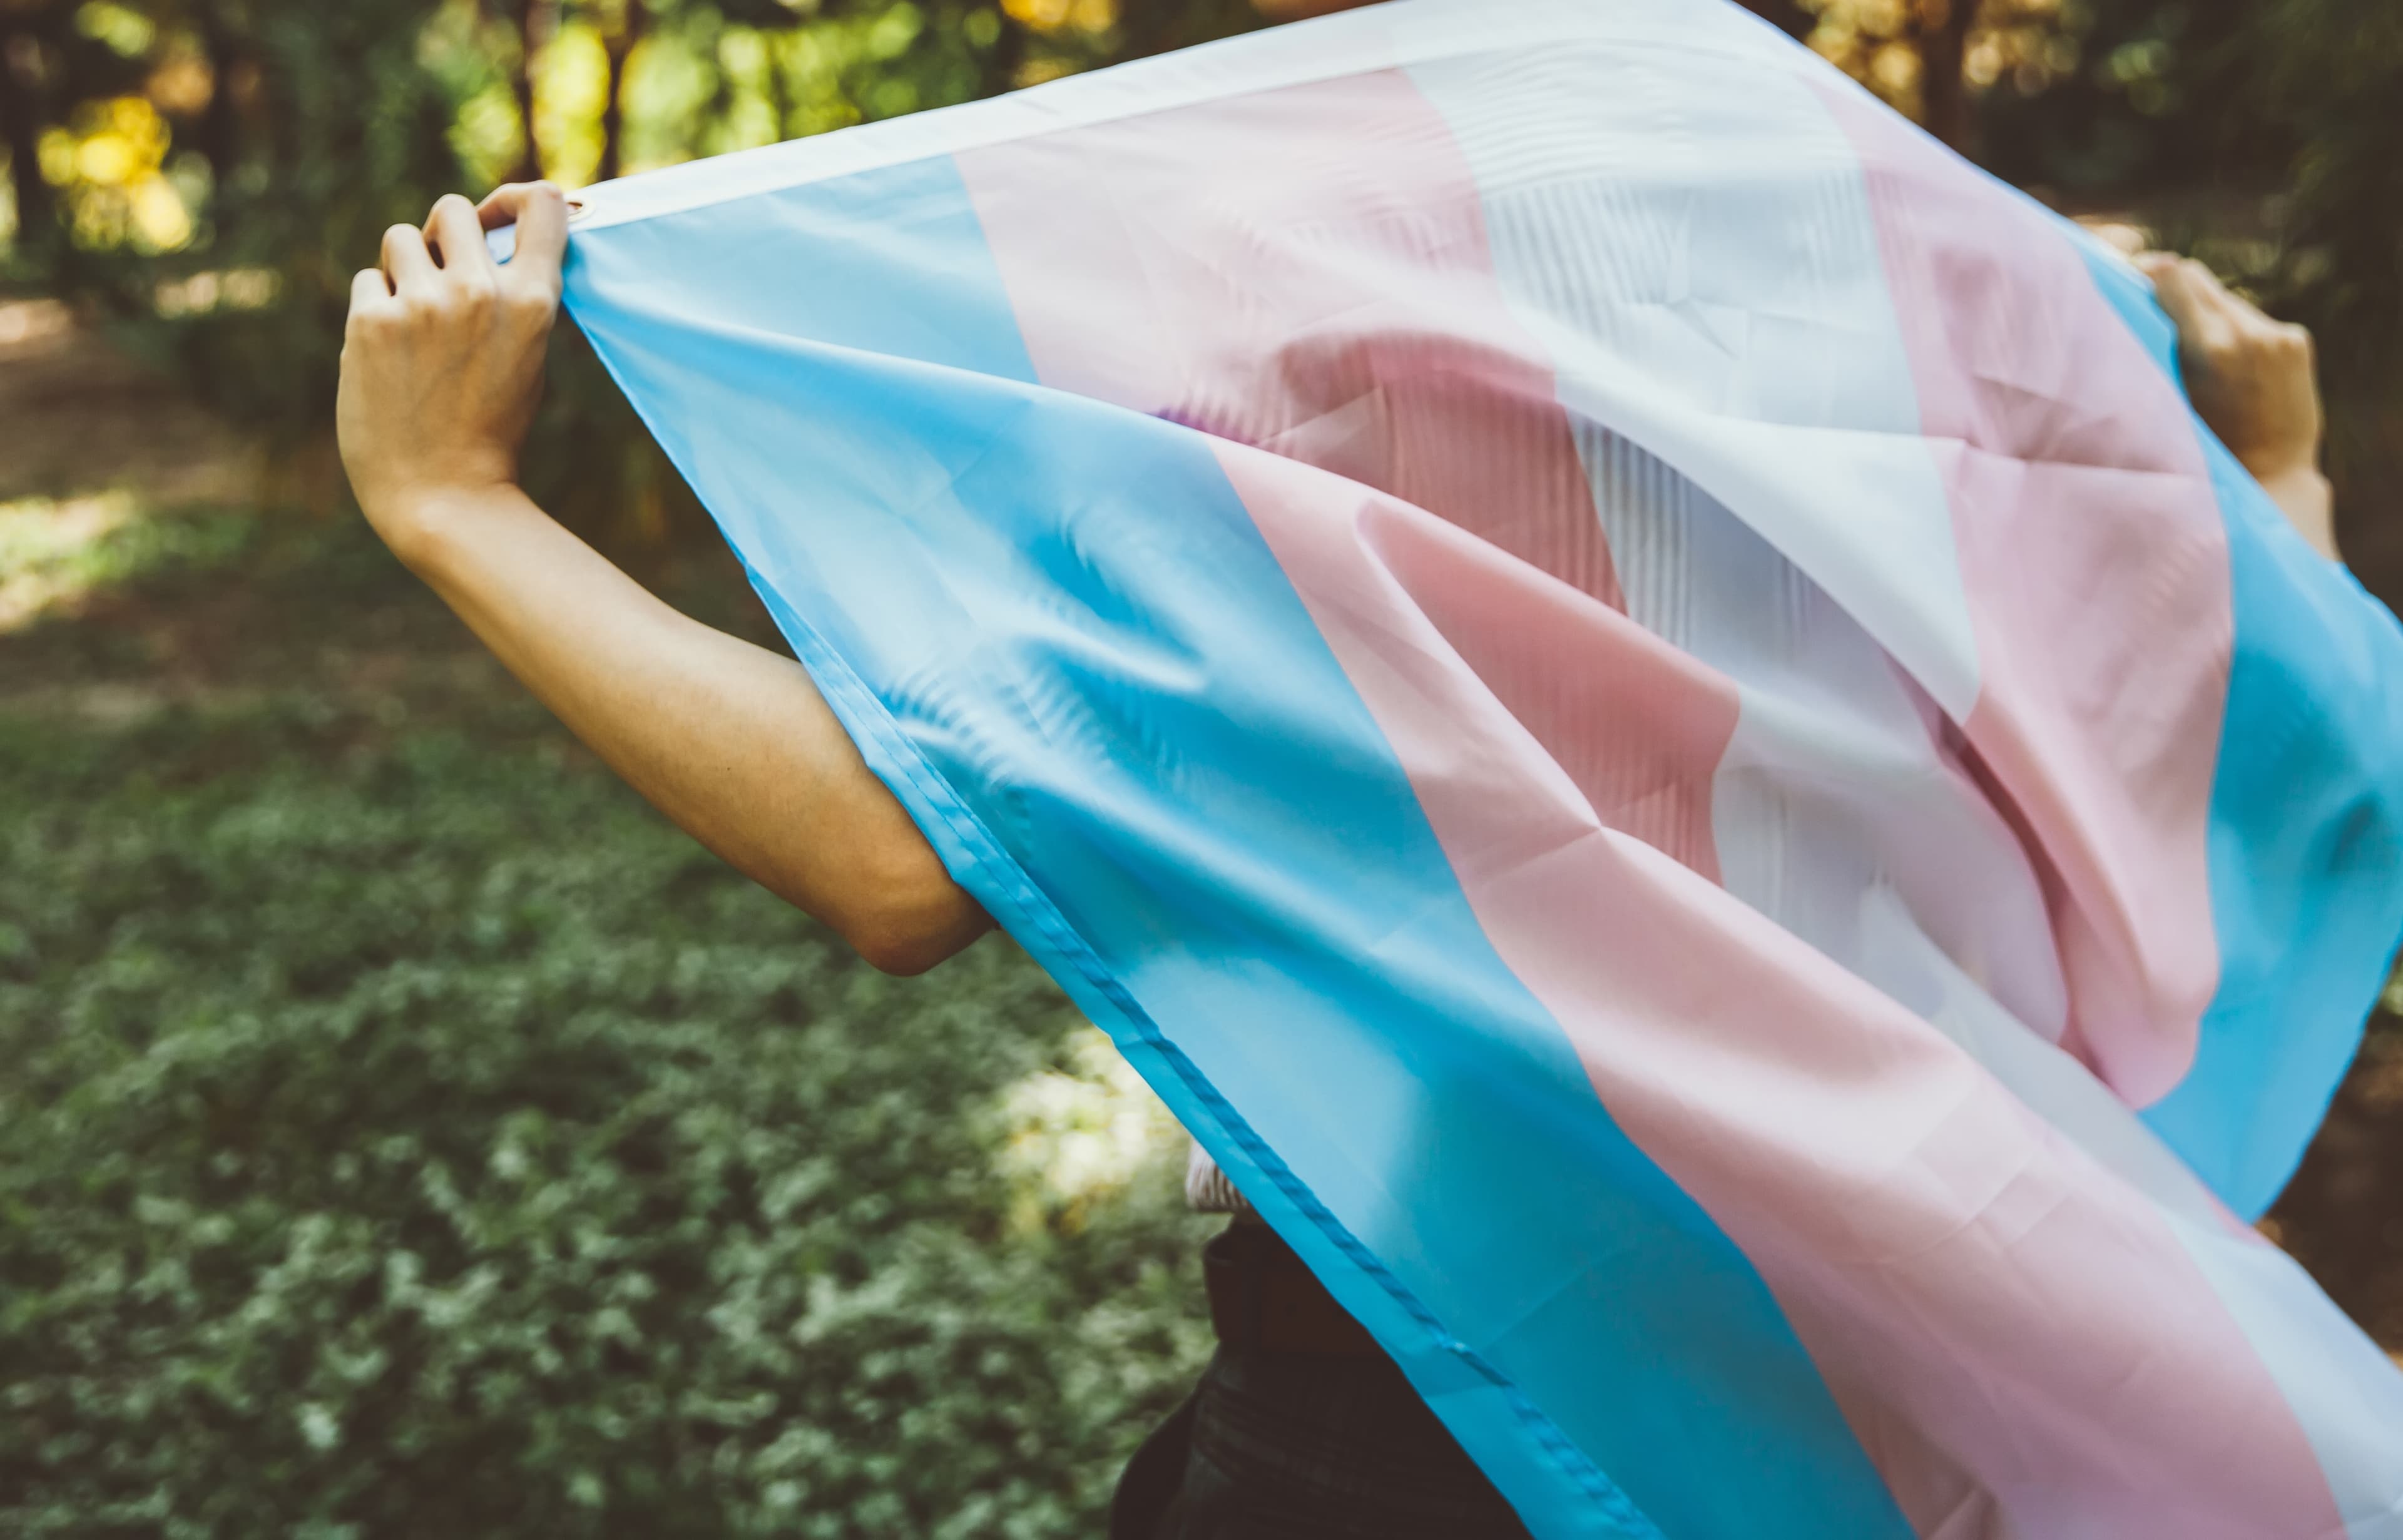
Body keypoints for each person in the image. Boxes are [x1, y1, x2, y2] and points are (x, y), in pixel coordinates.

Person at [335, 108, 2344, 1540]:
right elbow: (2219, 746)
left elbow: (902, 858)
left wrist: (455, 506)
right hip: (1931, 1338)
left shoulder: (1288, 248)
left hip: (1470, 1352)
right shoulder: (1897, 235)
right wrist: (2276, 482)